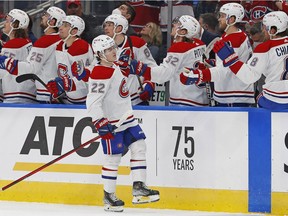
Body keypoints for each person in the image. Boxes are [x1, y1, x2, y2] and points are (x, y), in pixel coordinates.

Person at [86, 34, 159, 212]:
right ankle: (109, 196)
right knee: (113, 158)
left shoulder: (115, 66)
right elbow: (92, 102)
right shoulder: (100, 72)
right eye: (109, 49)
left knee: (140, 145)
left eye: (113, 47)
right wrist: (100, 122)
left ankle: (139, 187)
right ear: (99, 54)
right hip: (113, 123)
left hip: (127, 119)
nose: (113, 51)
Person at [120, 15, 210, 107]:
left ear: (183, 31)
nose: (174, 25)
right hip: (201, 100)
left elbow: (163, 75)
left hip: (185, 102)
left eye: (178, 24)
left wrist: (141, 68)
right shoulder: (201, 45)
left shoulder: (180, 48)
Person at [180, 3, 255, 107]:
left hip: (233, 95)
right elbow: (228, 64)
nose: (219, 19)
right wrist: (211, 63)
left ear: (232, 19)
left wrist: (199, 75)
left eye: (223, 16)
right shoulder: (233, 36)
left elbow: (225, 70)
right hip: (234, 94)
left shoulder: (234, 39)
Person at [212, 11, 288, 110]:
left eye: (265, 28)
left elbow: (249, 77)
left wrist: (230, 59)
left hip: (275, 100)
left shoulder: (265, 48)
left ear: (273, 30)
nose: (263, 31)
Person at [0, 6, 66, 103]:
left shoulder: (45, 41)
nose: (43, 17)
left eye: (46, 15)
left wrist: (6, 62)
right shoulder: (60, 41)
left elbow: (32, 68)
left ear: (52, 21)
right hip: (52, 92)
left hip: (41, 94)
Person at [103, 13, 157, 106]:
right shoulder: (102, 45)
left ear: (119, 28)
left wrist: (149, 83)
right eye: (105, 25)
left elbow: (151, 66)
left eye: (109, 25)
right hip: (112, 101)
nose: (105, 28)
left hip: (135, 99)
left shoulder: (136, 43)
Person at [46, 15, 94, 104]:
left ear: (74, 31)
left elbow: (83, 78)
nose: (60, 28)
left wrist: (65, 85)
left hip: (85, 99)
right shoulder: (60, 45)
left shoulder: (80, 47)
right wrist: (59, 90)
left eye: (65, 25)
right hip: (70, 97)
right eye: (61, 25)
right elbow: (64, 73)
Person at [0, 9, 36, 103]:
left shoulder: (13, 44)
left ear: (15, 24)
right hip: (29, 94)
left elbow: (3, 70)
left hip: (16, 96)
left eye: (8, 21)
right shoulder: (27, 42)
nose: (5, 23)